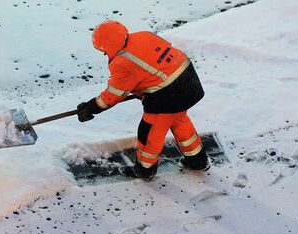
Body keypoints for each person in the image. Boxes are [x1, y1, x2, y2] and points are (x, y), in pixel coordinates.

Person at [77, 20, 209, 180]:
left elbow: (113, 95)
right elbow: (154, 64)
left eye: (103, 51)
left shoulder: (122, 62)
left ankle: (145, 171)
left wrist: (92, 107)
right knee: (179, 121)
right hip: (188, 78)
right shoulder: (143, 36)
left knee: (150, 133)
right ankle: (198, 161)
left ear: (108, 46)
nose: (105, 54)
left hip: (168, 95)